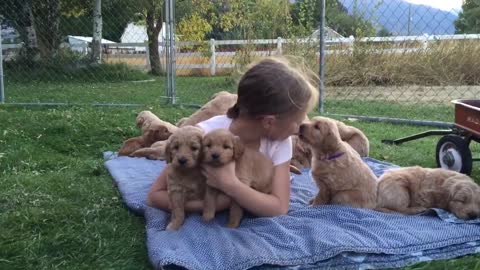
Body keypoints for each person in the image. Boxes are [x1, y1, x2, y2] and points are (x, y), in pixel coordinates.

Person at [147, 56, 319, 217]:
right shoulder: (202, 138)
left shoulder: (280, 142)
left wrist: (229, 185)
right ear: (269, 122)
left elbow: (279, 207)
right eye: (297, 121)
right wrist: (207, 207)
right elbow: (155, 195)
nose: (298, 129)